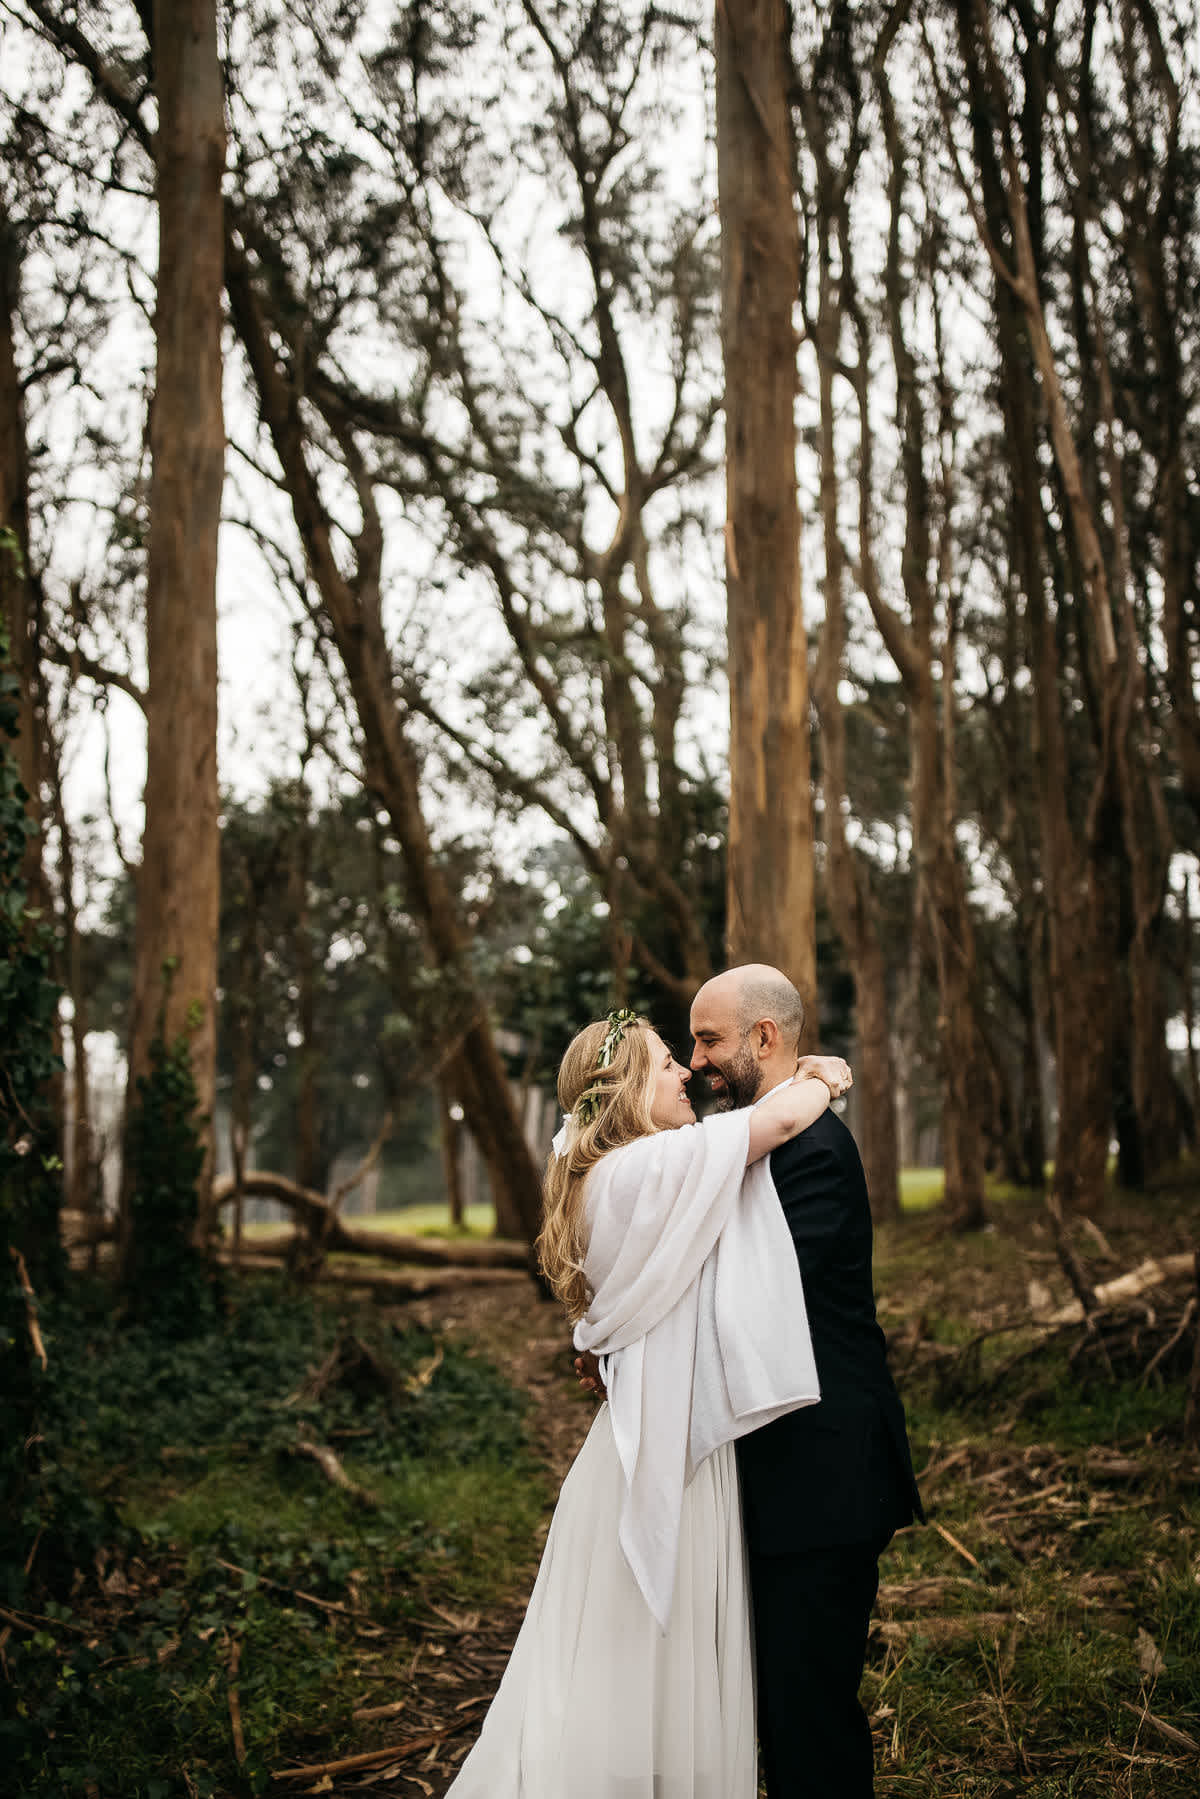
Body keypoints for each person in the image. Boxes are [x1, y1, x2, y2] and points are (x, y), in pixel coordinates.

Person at [444, 1007, 850, 1799]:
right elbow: (775, 1122)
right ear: (629, 1085)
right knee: (644, 1669)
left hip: (650, 1445)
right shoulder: (640, 1171)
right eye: (667, 1061)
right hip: (668, 1456)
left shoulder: (620, 1174)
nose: (684, 1073)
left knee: (627, 1665)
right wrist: (826, 1076)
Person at [688, 963, 925, 1799]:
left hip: (824, 1479)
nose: (694, 1061)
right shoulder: (755, 1134)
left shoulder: (815, 1150)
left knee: (810, 1715)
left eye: (709, 1038)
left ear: (765, 1037)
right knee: (779, 1713)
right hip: (778, 1478)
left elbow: (747, 1300)